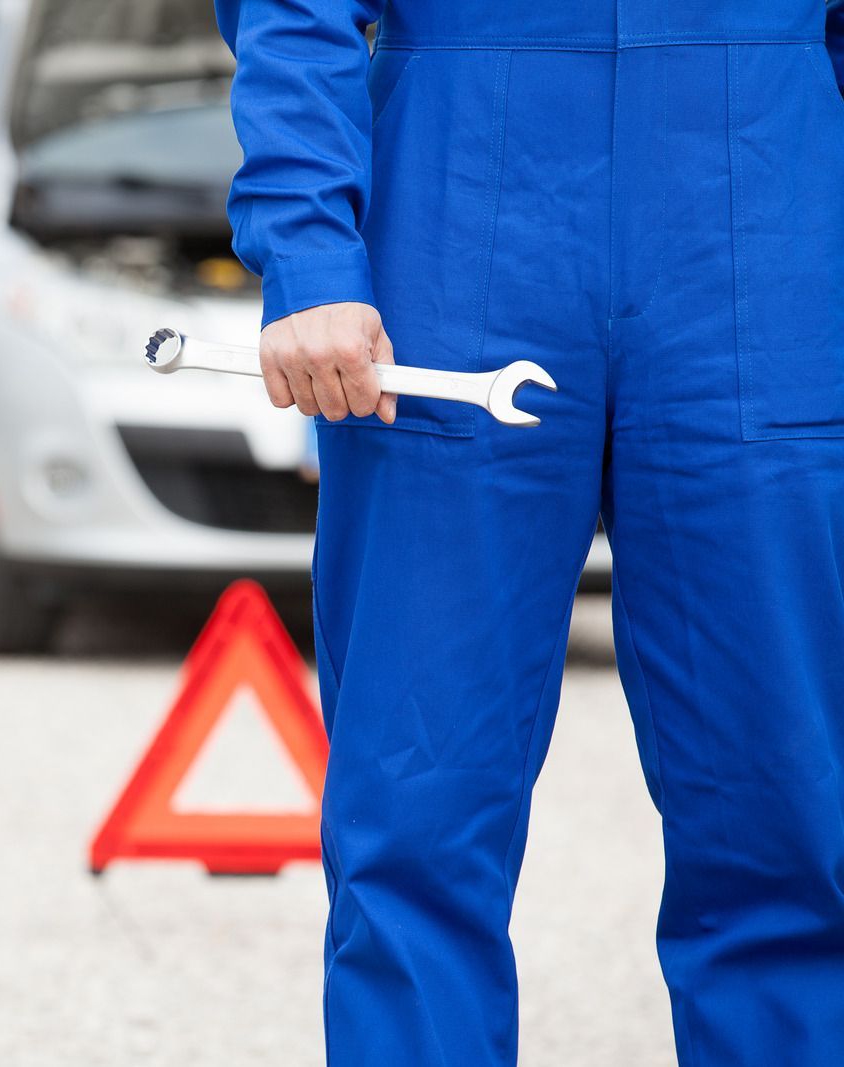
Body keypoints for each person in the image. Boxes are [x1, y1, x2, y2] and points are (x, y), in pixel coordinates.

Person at [213, 1, 844, 1063]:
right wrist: (308, 245)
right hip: (455, 220)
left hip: (770, 207)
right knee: (415, 819)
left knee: (787, 814)